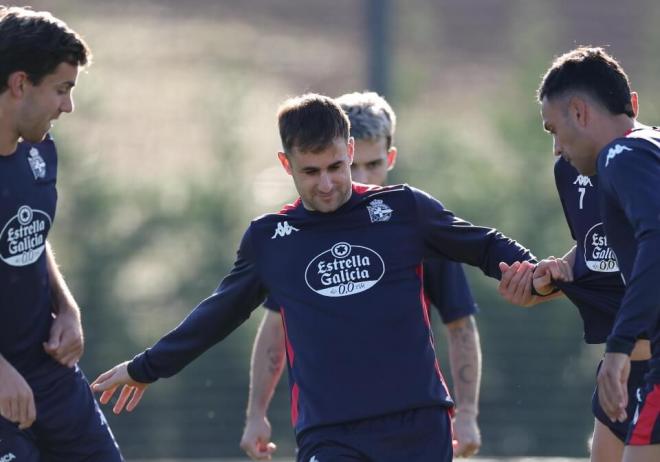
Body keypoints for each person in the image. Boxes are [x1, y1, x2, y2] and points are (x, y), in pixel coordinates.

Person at [91, 93, 562, 462]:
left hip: (417, 424)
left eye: (337, 166)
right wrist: (147, 367)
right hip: (329, 433)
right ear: (286, 165)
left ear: (350, 150)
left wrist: (533, 272)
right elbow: (219, 313)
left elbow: (480, 243)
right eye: (310, 171)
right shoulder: (271, 238)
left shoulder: (403, 210)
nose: (327, 183)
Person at [240, 91, 482, 460]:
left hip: (408, 426)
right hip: (332, 430)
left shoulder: (415, 227)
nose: (363, 177)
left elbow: (460, 325)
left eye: (374, 164)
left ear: (391, 158)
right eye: (354, 168)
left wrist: (466, 414)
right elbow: (275, 326)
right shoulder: (300, 236)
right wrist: (256, 414)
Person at [504, 46, 659, 462]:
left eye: (553, 129)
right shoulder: (643, 152)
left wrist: (619, 348)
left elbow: (655, 242)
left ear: (580, 111)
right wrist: (558, 273)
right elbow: (613, 248)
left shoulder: (621, 156)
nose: (556, 148)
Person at [0, 6, 124, 462]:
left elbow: (25, 233)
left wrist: (65, 306)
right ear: (19, 84)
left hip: (50, 373)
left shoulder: (39, 153)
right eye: (60, 89)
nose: (67, 106)